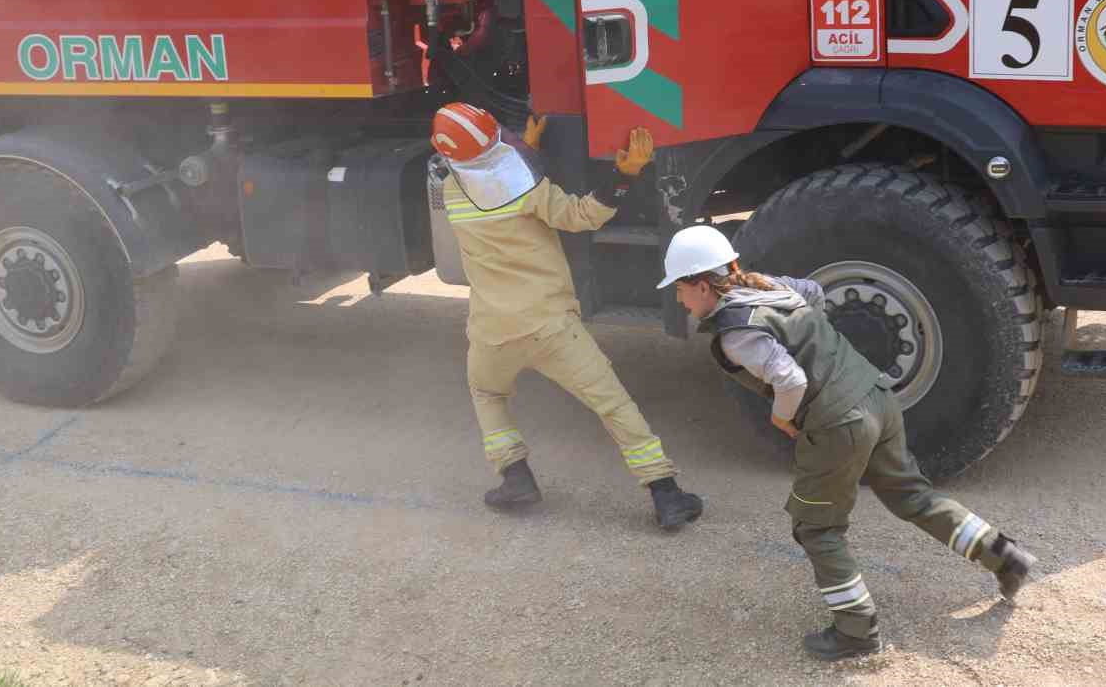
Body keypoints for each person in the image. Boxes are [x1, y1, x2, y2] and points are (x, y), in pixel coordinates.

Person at [658, 224, 1036, 660]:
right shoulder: (770, 288)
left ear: (702, 285)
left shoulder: (735, 330)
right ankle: (1005, 557)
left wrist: (781, 417)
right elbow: (816, 293)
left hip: (838, 422)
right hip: (875, 395)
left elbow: (789, 378)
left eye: (680, 290)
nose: (679, 299)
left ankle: (857, 631)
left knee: (816, 527)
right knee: (912, 495)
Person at [433, 102, 704, 530]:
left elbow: (485, 172)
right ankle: (665, 493)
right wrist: (625, 175)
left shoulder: (451, 191)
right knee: (612, 404)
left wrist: (528, 149)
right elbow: (583, 216)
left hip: (491, 332)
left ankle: (516, 477)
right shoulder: (529, 190)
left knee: (488, 394)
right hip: (550, 326)